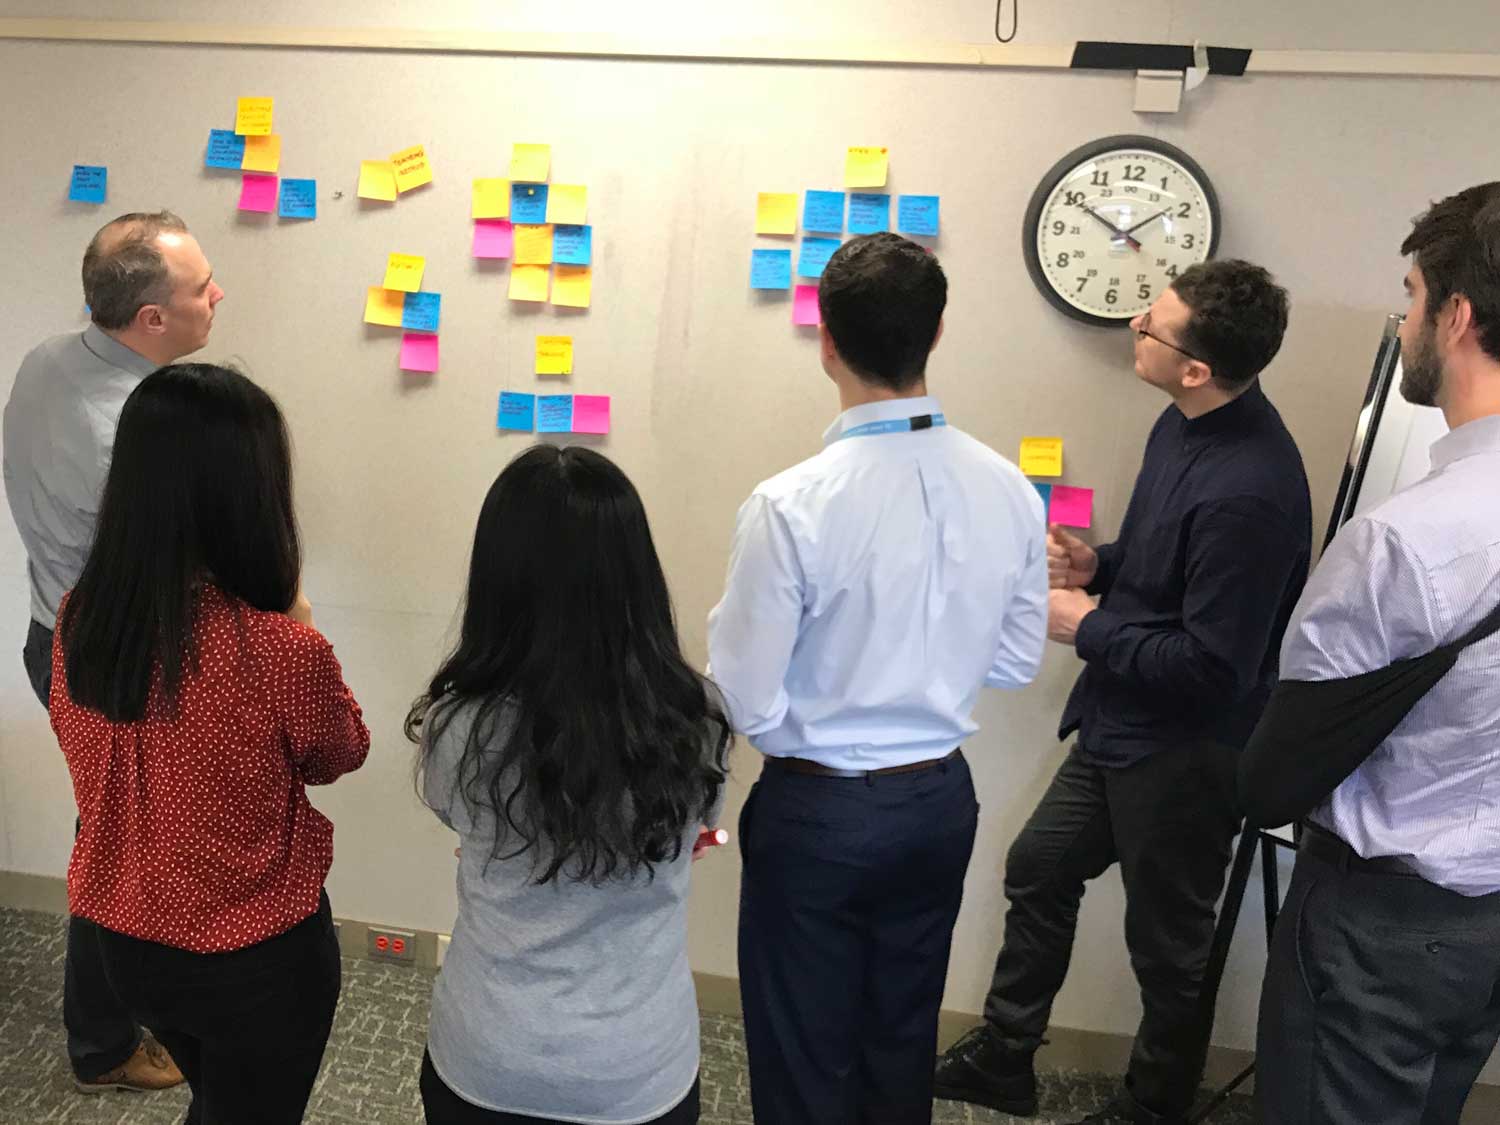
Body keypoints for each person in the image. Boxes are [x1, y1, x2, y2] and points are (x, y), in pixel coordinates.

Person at [935, 260, 1312, 1125]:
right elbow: (1164, 570)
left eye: (1153, 324)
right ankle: (1005, 1057)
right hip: (1119, 723)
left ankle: (1153, 1108)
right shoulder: (1183, 424)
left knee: (1168, 948)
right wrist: (1097, 565)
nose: (1135, 324)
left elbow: (1216, 664)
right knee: (1039, 867)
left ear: (1196, 367)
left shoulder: (1251, 490)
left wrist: (1084, 624)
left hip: (1187, 751)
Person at [708, 232, 1050, 1125]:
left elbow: (744, 695)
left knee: (802, 1049)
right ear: (938, 333)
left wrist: (811, 728)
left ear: (825, 341)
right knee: (901, 1036)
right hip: (938, 800)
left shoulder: (790, 503)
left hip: (818, 809)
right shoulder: (1011, 487)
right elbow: (1015, 660)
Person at [50, 363, 369, 1124]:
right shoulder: (278, 646)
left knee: (225, 1102)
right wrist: (301, 624)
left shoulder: (79, 619)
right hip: (254, 958)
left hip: (126, 945)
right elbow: (339, 753)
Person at [1252, 183, 1500, 1125]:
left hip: (1378, 930)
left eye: (1411, 296)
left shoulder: (1400, 541)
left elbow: (1274, 778)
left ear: (1458, 315)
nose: (1404, 323)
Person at [408, 444, 732, 1125]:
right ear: (636, 574)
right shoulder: (695, 715)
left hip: (487, 1055)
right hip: (639, 1067)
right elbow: (698, 825)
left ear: (497, 578)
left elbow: (458, 820)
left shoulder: (457, 724)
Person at [2, 209, 222, 1094]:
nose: (218, 294)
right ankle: (101, 1046)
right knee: (114, 846)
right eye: (201, 286)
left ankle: (132, 1012)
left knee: (116, 838)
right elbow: (175, 579)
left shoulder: (49, 356)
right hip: (106, 660)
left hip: (50, 635)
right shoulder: (132, 437)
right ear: (152, 320)